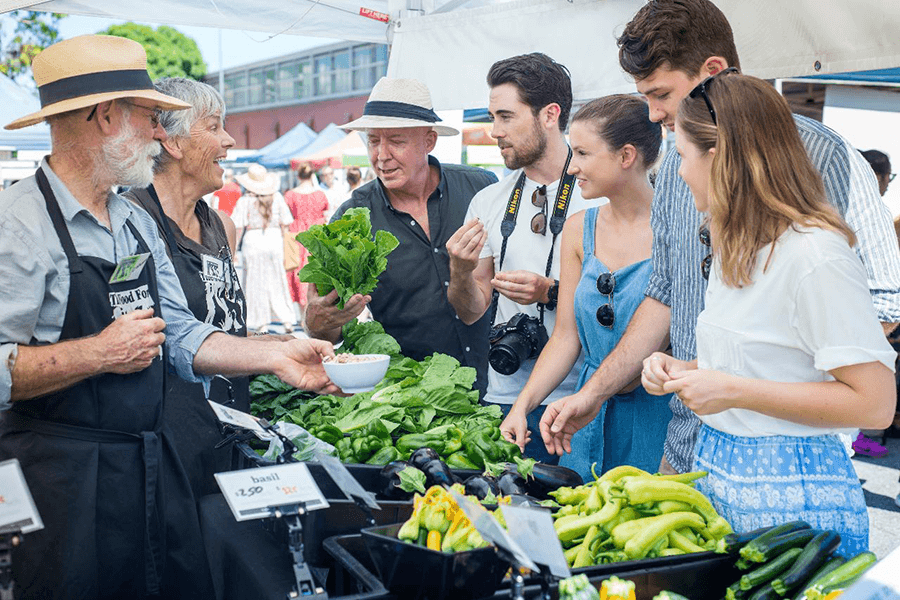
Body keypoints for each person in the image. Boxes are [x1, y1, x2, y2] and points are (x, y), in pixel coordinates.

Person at [0, 35, 338, 600]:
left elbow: (179, 335)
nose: (159, 133)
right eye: (149, 117)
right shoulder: (19, 225)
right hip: (59, 486)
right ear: (106, 116)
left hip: (144, 473)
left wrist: (279, 355)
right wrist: (97, 353)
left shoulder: (132, 219)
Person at [540, 0, 900, 474]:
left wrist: (743, 387)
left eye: (660, 93)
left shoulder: (827, 159)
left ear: (712, 71)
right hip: (689, 441)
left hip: (783, 457)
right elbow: (666, 294)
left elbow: (881, 312)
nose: (651, 115)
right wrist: (595, 393)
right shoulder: (673, 165)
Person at [642, 72, 896, 553]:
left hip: (795, 508)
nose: (678, 173)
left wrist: (731, 389)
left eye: (681, 156)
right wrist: (687, 371)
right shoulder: (734, 246)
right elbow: (768, 362)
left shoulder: (814, 256)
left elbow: (875, 402)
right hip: (719, 478)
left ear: (717, 159)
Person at [502, 95, 670, 480]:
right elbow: (565, 337)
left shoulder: (676, 229)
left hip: (658, 413)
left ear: (625, 156)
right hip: (585, 414)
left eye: (582, 153)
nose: (572, 166)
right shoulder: (580, 229)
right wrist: (523, 405)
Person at [446, 53, 599, 463]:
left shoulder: (598, 194)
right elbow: (471, 311)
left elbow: (630, 303)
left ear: (550, 114)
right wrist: (460, 272)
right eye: (492, 117)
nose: (493, 131)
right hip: (506, 397)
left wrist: (550, 292)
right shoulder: (488, 200)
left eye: (505, 117)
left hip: (583, 401)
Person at [304, 77, 497, 395]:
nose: (381, 155)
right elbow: (324, 331)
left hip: (502, 384)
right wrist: (318, 318)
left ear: (429, 141)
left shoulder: (481, 187)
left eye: (396, 141)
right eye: (373, 141)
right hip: (415, 398)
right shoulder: (352, 221)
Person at [121, 77, 265, 501]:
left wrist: (287, 345)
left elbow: (225, 326)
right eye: (214, 126)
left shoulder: (223, 227)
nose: (229, 140)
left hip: (231, 426)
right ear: (172, 142)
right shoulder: (128, 222)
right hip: (165, 445)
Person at [232, 163, 298, 333]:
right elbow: (286, 224)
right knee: (277, 280)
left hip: (253, 241)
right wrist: (286, 247)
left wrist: (233, 251)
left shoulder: (245, 201)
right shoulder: (277, 198)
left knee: (255, 282)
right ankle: (287, 319)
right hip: (274, 239)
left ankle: (260, 321)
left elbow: (238, 227)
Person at [284, 162, 329, 309]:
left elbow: (286, 216)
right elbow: (326, 214)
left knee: (298, 270)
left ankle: (303, 311)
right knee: (316, 268)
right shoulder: (320, 194)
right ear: (312, 175)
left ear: (298, 176)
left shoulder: (290, 194)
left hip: (297, 232)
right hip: (316, 232)